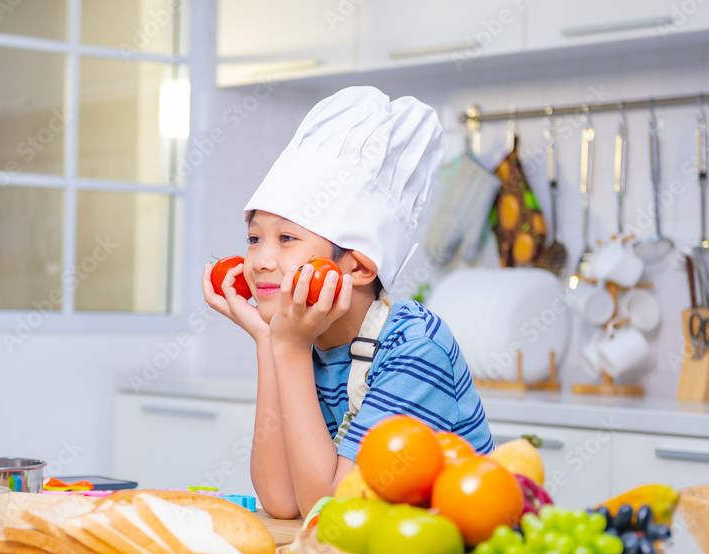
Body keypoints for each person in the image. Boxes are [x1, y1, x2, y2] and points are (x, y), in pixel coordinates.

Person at [202, 86, 493, 519]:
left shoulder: (414, 347)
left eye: (286, 239)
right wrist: (269, 342)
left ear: (357, 267)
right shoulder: (307, 340)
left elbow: (329, 509)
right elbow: (281, 502)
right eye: (254, 238)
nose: (259, 261)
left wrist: (288, 347)